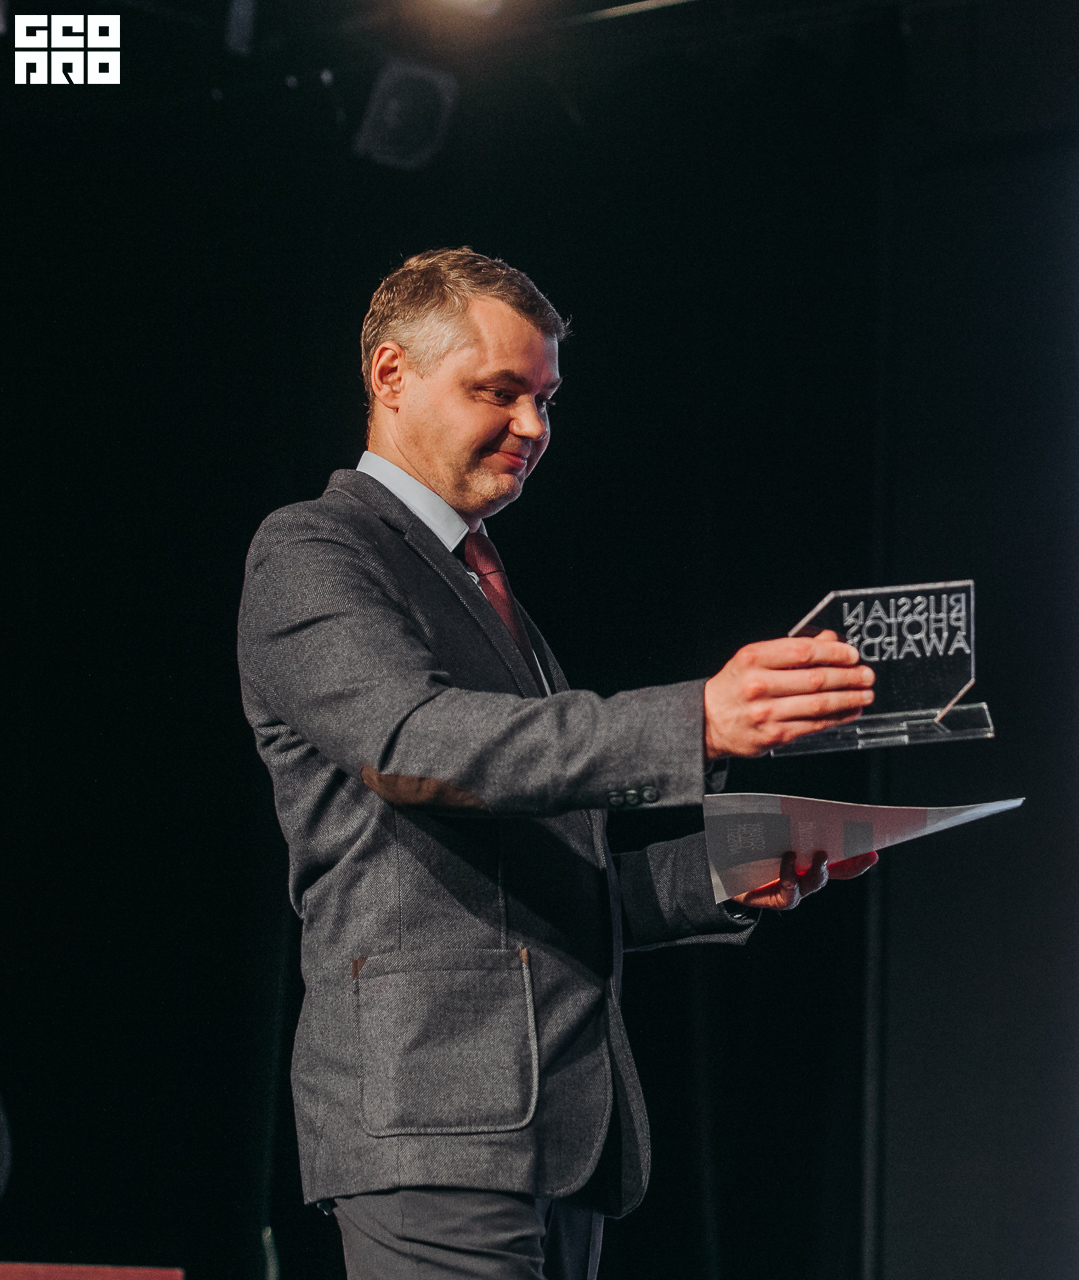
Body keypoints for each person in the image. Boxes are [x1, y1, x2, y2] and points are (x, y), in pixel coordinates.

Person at [237, 248, 879, 1280]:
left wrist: (723, 871)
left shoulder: (486, 590)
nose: (533, 427)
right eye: (499, 391)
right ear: (392, 375)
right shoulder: (314, 548)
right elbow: (412, 743)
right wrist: (697, 720)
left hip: (556, 1126)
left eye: (545, 398)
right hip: (436, 1120)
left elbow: (538, 887)